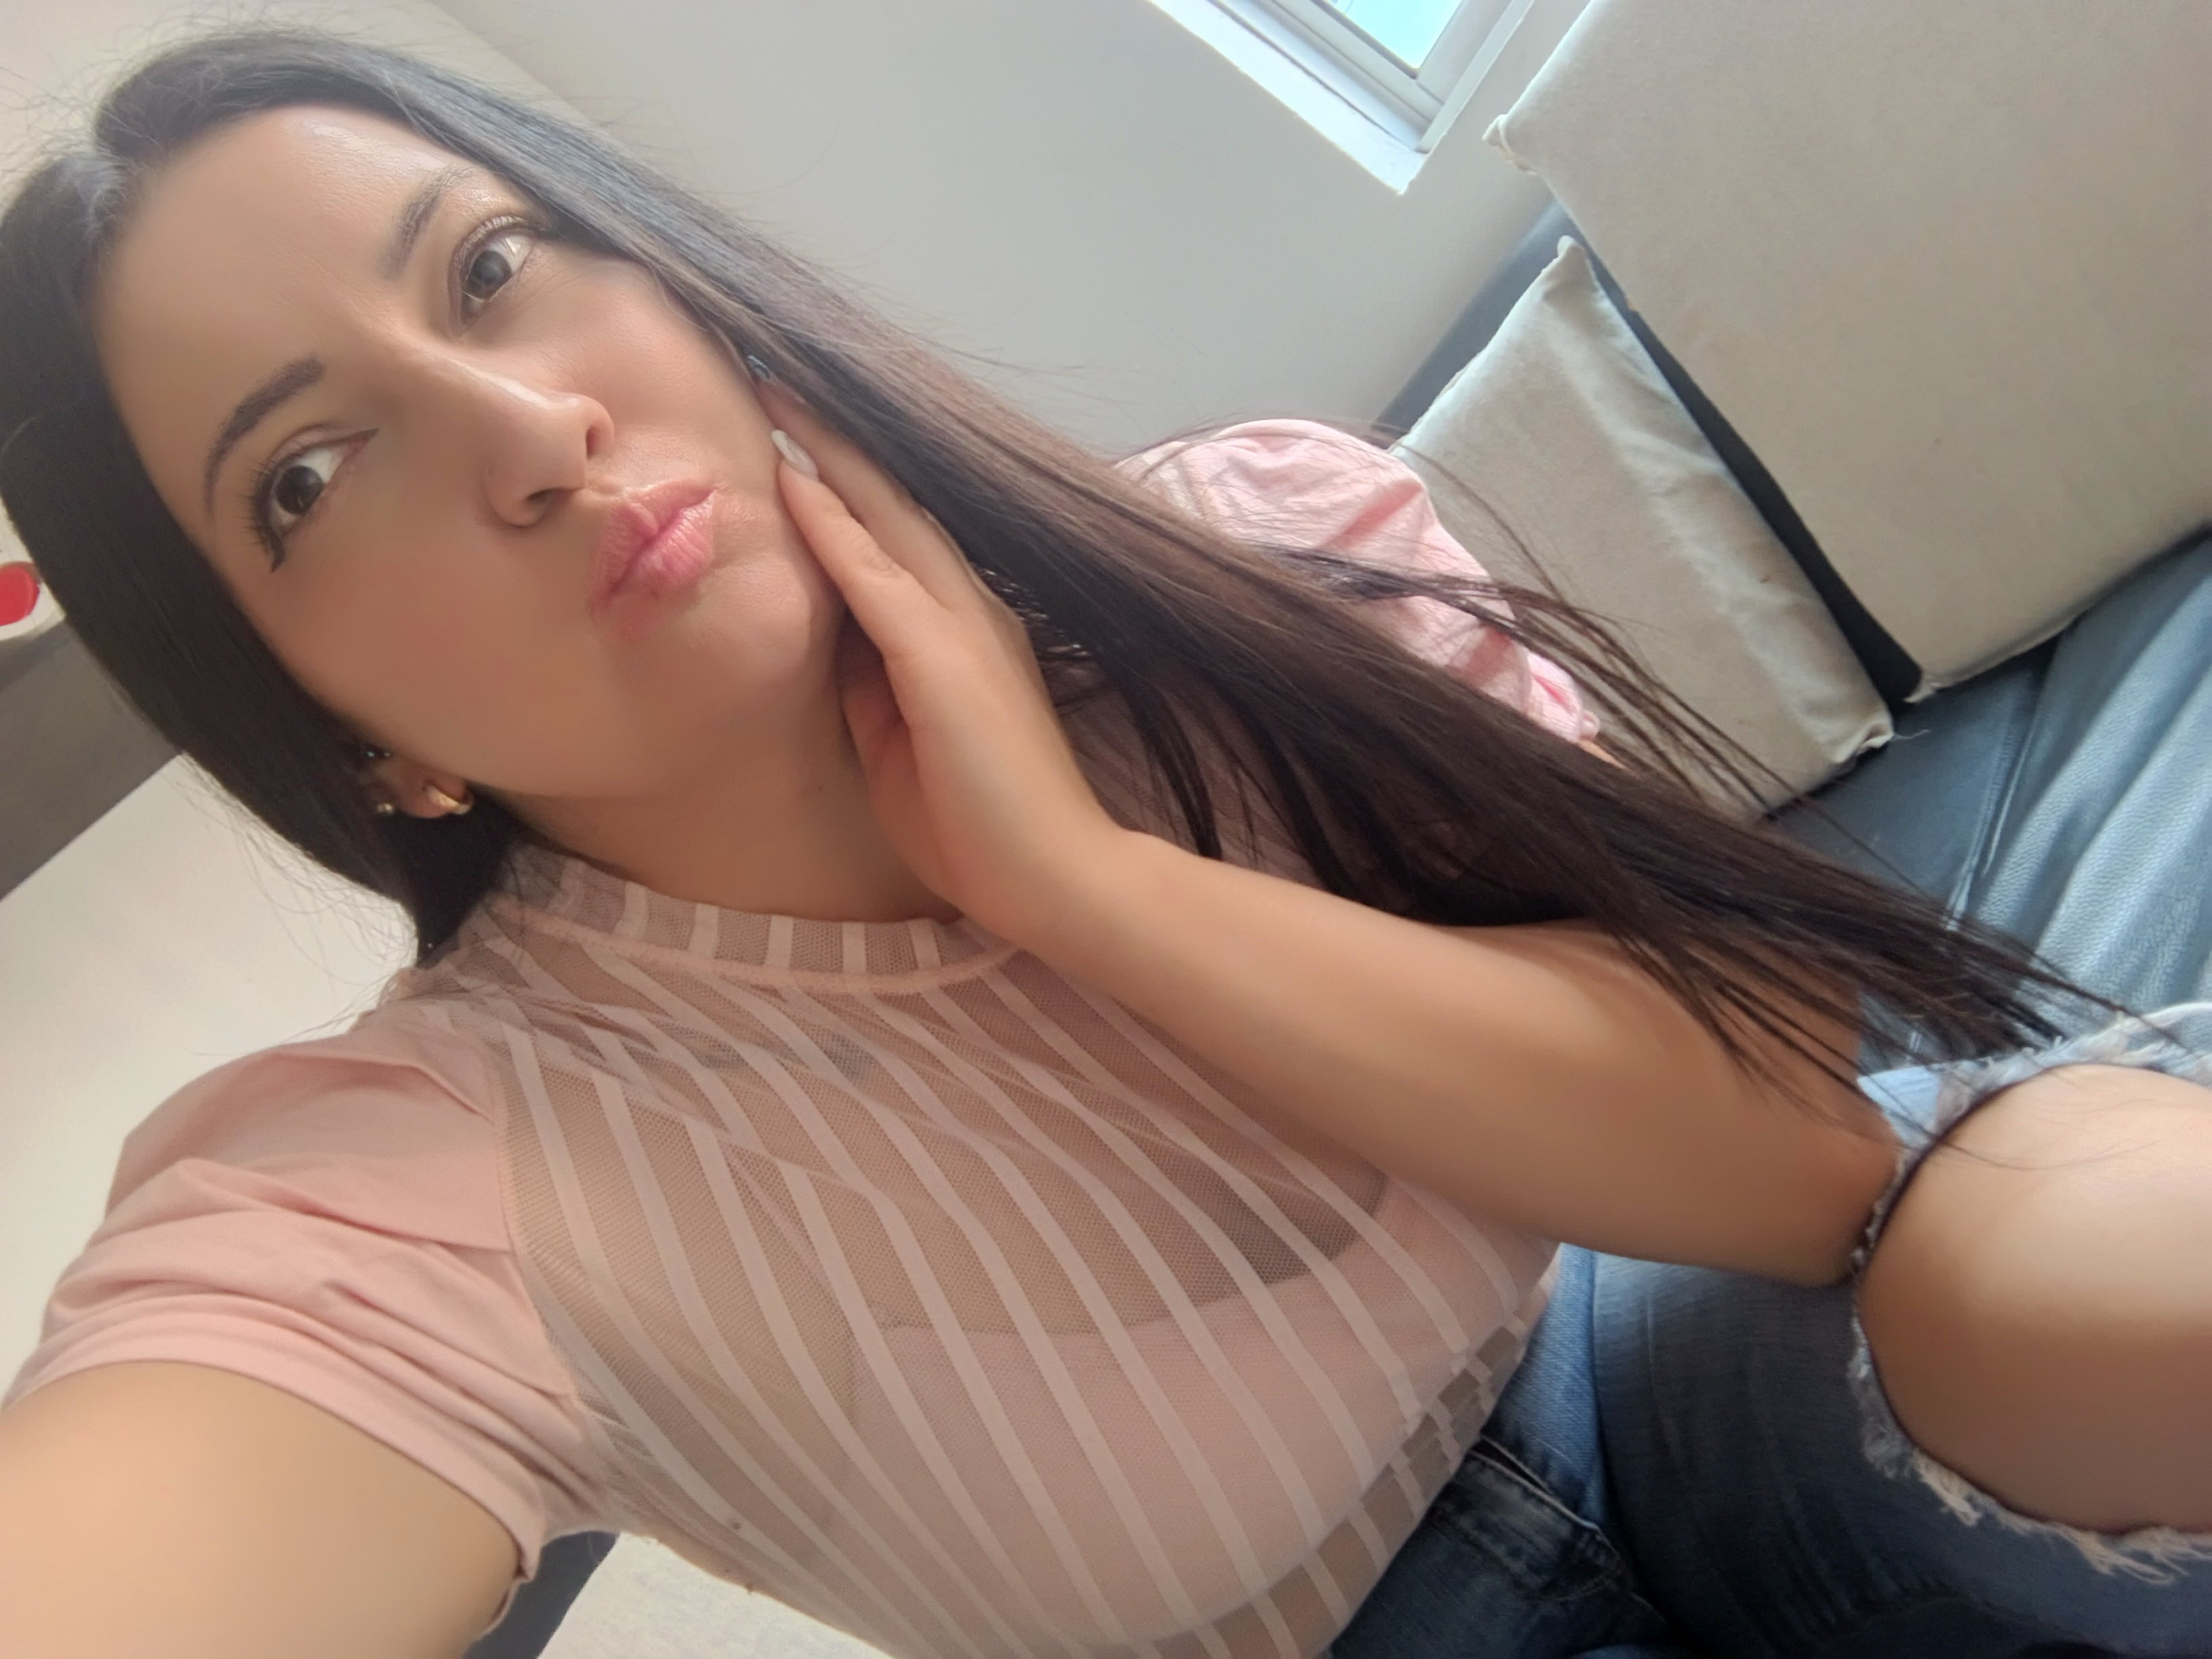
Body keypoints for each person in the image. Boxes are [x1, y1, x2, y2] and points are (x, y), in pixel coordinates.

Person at [0, 28, 2205, 1659]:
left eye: (492, 268)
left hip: (1674, 1325)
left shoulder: (1248, 546)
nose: (524, 432)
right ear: (350, 743)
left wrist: (1084, 883)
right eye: (308, 476)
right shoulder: (406, 1190)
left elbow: (1805, 1174)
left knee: (2058, 1231)